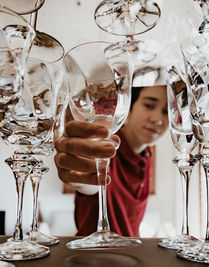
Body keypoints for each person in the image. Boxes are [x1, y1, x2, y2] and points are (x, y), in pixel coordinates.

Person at [54, 66, 169, 237]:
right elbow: (89, 182)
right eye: (149, 105)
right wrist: (81, 174)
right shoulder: (106, 143)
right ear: (129, 107)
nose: (158, 119)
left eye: (167, 111)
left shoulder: (146, 155)